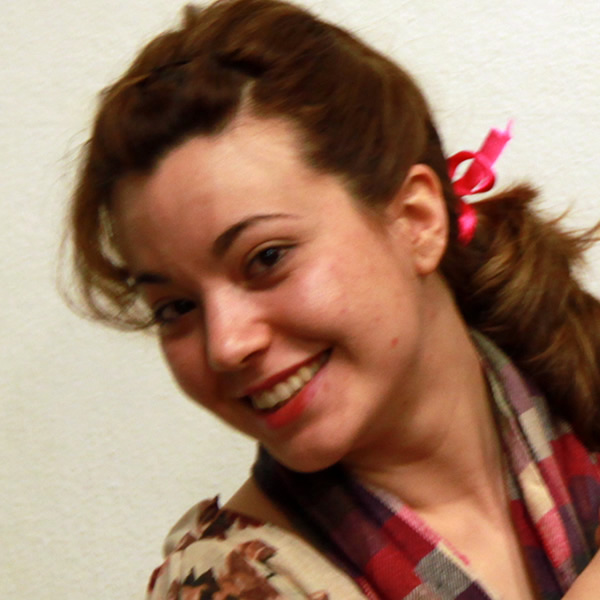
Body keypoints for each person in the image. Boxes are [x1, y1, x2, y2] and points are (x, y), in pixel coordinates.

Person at [68, 0, 600, 597]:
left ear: (416, 220)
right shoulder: (229, 582)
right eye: (176, 308)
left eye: (266, 257)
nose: (227, 345)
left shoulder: (576, 391)